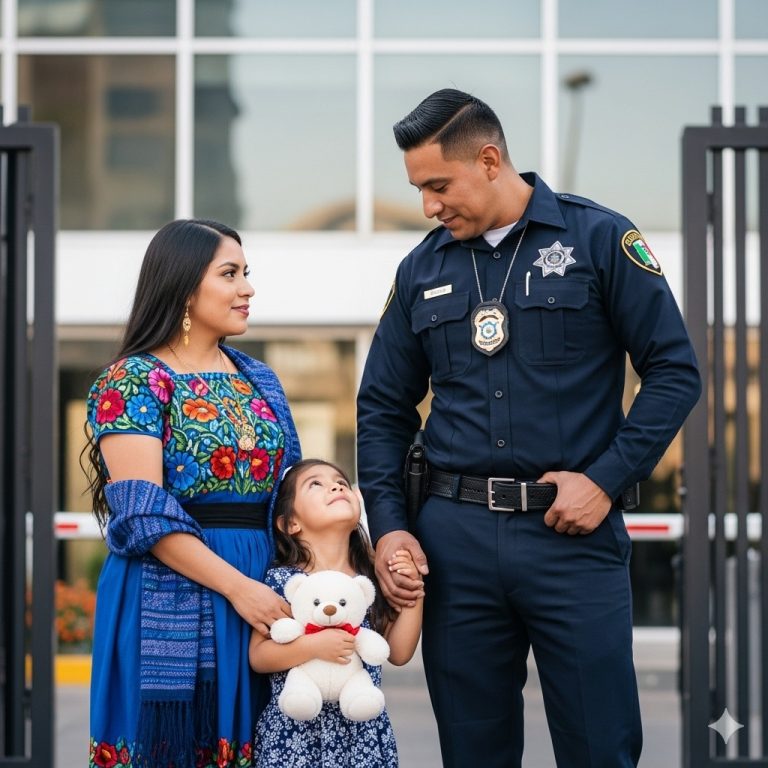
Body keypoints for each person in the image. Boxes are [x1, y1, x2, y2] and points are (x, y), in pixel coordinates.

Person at [356, 88, 702, 768]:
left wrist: (605, 482)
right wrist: (392, 523)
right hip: (453, 544)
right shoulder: (421, 267)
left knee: (601, 747)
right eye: (419, 189)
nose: (428, 205)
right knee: (473, 752)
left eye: (437, 185)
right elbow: (383, 409)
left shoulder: (598, 239)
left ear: (488, 159)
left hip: (571, 537)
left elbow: (674, 372)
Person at [84, 218, 301, 768]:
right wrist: (238, 589)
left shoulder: (259, 378)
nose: (247, 288)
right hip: (175, 582)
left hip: (262, 580)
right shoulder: (133, 381)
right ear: (183, 287)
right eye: (229, 274)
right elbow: (142, 515)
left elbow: (290, 493)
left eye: (246, 273)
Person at [249, 458, 424, 767]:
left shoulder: (368, 582)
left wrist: (414, 590)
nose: (335, 485)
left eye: (341, 482)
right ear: (290, 524)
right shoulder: (284, 582)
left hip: (362, 733)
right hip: (294, 735)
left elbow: (398, 652)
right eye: (315, 484)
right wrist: (313, 646)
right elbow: (259, 656)